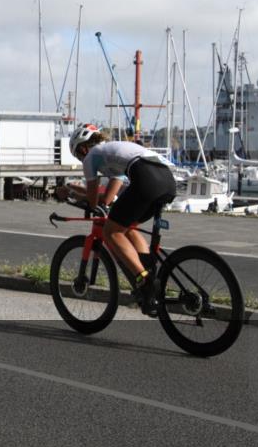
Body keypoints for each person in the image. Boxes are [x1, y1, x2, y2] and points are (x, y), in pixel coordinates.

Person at [61, 124, 177, 314]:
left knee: (110, 231)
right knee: (128, 227)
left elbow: (93, 201)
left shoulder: (91, 157)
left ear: (82, 149)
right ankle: (148, 273)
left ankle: (144, 279)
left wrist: (72, 193)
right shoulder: (114, 153)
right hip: (167, 181)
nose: (82, 160)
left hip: (146, 180)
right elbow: (106, 198)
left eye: (79, 156)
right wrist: (80, 193)